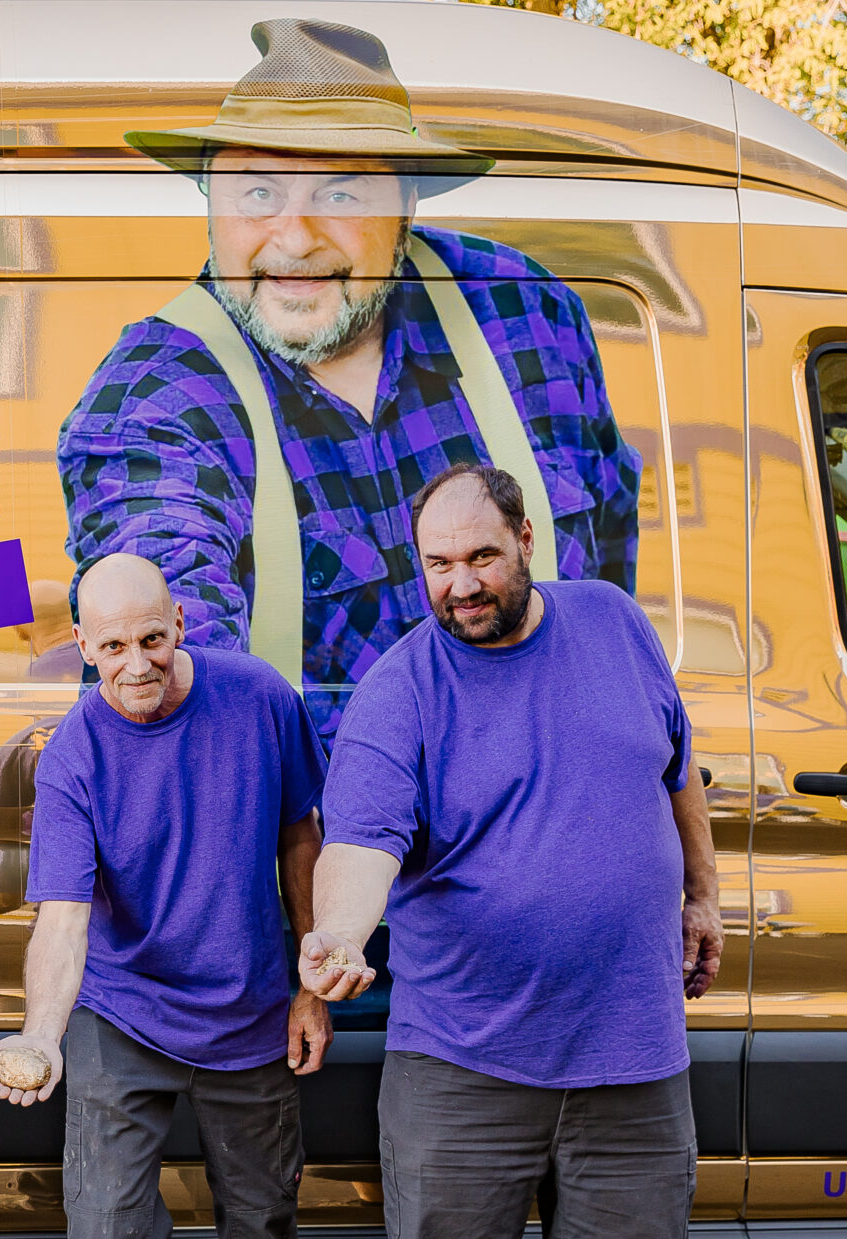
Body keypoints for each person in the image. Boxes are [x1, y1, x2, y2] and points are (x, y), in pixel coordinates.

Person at [303, 462, 758, 1239]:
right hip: (465, 1037)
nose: (460, 584)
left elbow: (674, 768)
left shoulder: (611, 624)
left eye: (480, 558)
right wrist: (335, 937)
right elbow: (359, 843)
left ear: (526, 543)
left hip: (626, 1022)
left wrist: (701, 891)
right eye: (438, 565)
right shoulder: (400, 687)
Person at [58, 17, 641, 743]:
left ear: (406, 204)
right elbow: (171, 660)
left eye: (341, 194)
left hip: (547, 837)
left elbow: (613, 608)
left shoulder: (528, 314)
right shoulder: (154, 398)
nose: (296, 237)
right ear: (210, 198)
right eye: (258, 191)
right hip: (326, 848)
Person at [0, 553, 371, 1239]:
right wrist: (38, 1035)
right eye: (111, 647)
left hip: (248, 1006)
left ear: (180, 621)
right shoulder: (72, 758)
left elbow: (299, 841)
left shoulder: (257, 699)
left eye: (151, 638)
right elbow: (61, 921)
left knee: (264, 1225)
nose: (135, 664)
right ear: (84, 645)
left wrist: (308, 984)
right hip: (120, 1013)